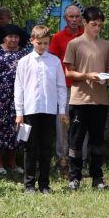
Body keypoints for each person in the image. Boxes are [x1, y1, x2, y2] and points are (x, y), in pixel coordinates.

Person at [63, 6, 109, 190]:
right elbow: (69, 73)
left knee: (97, 141)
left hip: (100, 100)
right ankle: (74, 177)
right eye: (94, 24)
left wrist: (107, 77)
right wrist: (87, 76)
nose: (97, 28)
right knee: (75, 140)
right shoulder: (74, 44)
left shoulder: (106, 45)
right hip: (79, 100)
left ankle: (97, 177)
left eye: (100, 25)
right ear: (84, 22)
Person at [14, 25, 68, 193]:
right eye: (39, 43)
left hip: (49, 110)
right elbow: (19, 88)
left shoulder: (55, 61)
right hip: (30, 111)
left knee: (46, 147)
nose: (42, 47)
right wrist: (19, 113)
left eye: (46, 43)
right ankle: (29, 184)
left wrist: (61, 110)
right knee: (30, 147)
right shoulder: (24, 62)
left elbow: (61, 86)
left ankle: (44, 183)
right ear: (32, 41)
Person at [48, 4, 84, 169]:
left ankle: (81, 159)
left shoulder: (87, 35)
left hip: (84, 87)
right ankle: (62, 159)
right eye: (71, 16)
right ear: (65, 18)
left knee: (82, 123)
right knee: (63, 123)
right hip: (65, 87)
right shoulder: (57, 37)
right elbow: (52, 63)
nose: (75, 20)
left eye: (77, 16)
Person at [0, 24, 28, 174]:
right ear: (4, 38)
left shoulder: (24, 53)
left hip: (19, 97)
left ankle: (12, 163)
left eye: (16, 37)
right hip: (0, 96)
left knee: (16, 130)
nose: (13, 39)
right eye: (10, 36)